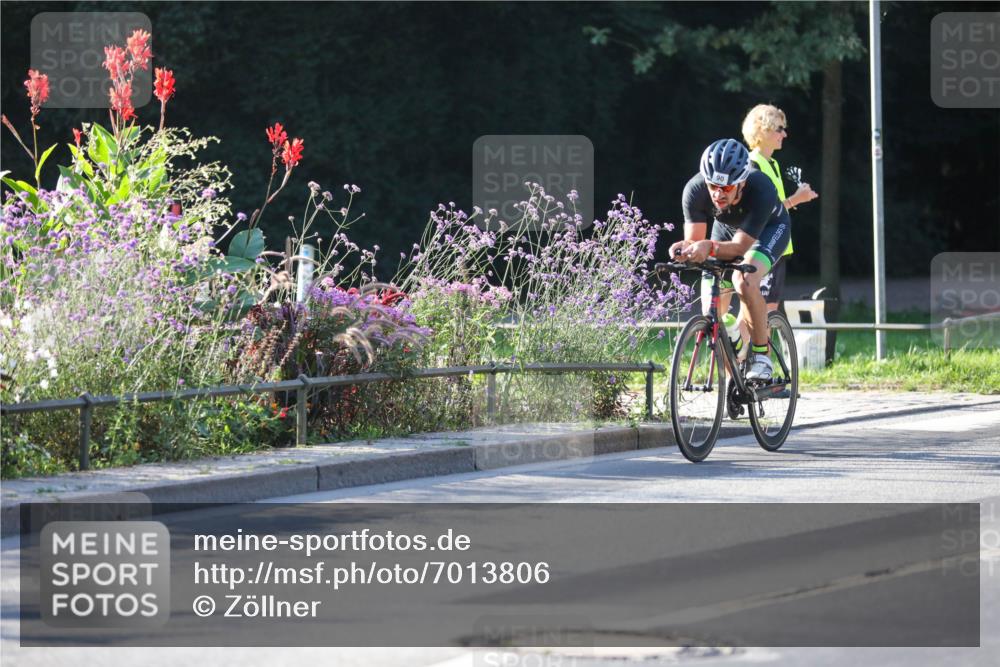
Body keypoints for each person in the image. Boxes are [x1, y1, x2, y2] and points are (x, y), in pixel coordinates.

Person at [670, 138, 790, 381]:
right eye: (713, 185)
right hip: (725, 231)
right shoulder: (694, 190)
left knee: (744, 279)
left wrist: (708, 247)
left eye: (725, 188)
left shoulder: (762, 188)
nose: (717, 194)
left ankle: (761, 356)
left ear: (742, 183)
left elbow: (739, 248)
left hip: (769, 229)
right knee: (711, 313)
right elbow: (695, 241)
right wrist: (684, 248)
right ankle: (734, 379)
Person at [741, 104, 818, 312]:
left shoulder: (771, 163)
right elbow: (761, 212)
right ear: (762, 131)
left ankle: (742, 344)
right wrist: (796, 199)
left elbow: (773, 208)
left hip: (777, 247)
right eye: (779, 129)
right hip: (763, 247)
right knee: (761, 312)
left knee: (763, 311)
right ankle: (743, 344)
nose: (784, 134)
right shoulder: (753, 164)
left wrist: (799, 198)